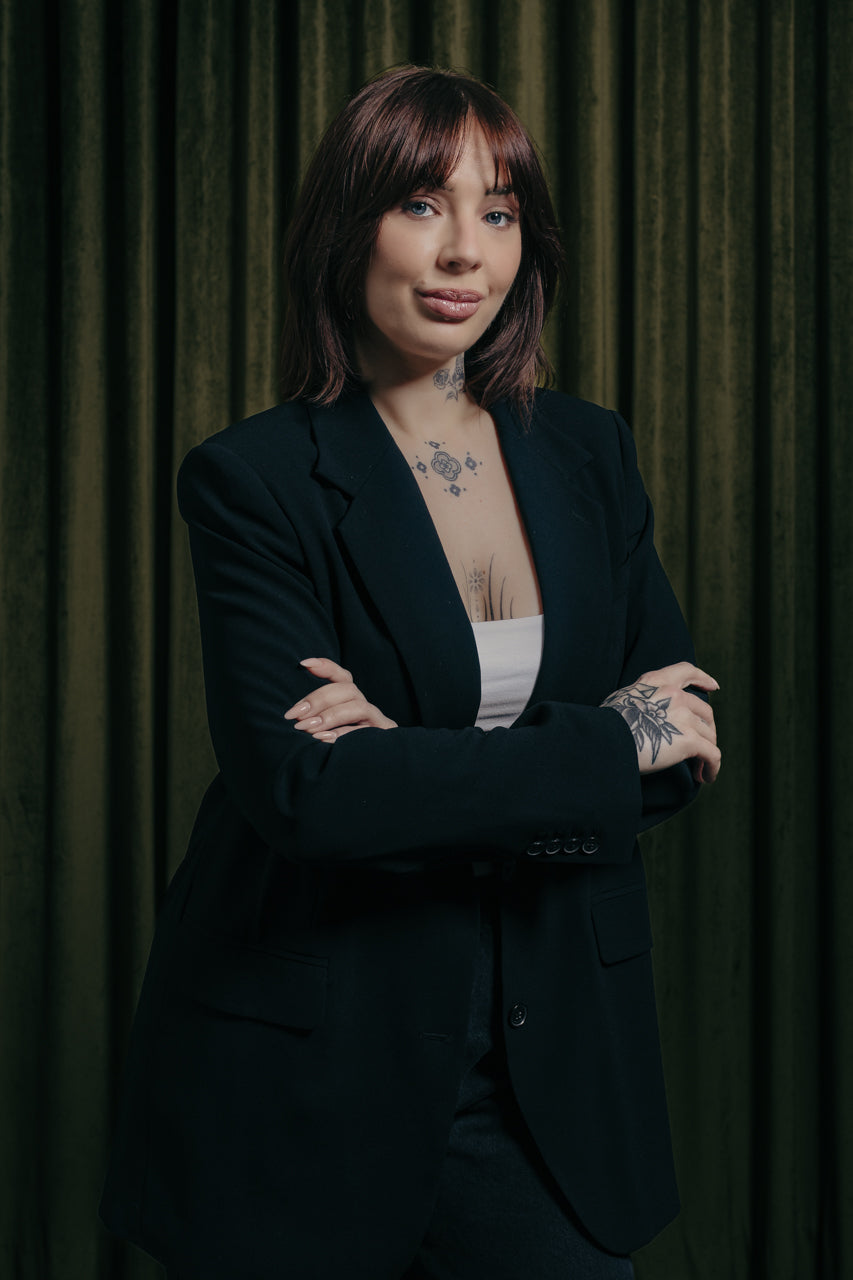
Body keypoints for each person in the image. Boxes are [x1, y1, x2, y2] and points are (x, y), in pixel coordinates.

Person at [100, 65, 720, 1279]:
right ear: (350, 225)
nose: (463, 252)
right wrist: (602, 739)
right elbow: (310, 793)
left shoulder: (590, 451)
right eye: (421, 204)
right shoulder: (251, 479)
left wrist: (406, 758)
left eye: (499, 211)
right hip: (312, 1063)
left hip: (550, 1055)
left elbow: (680, 739)